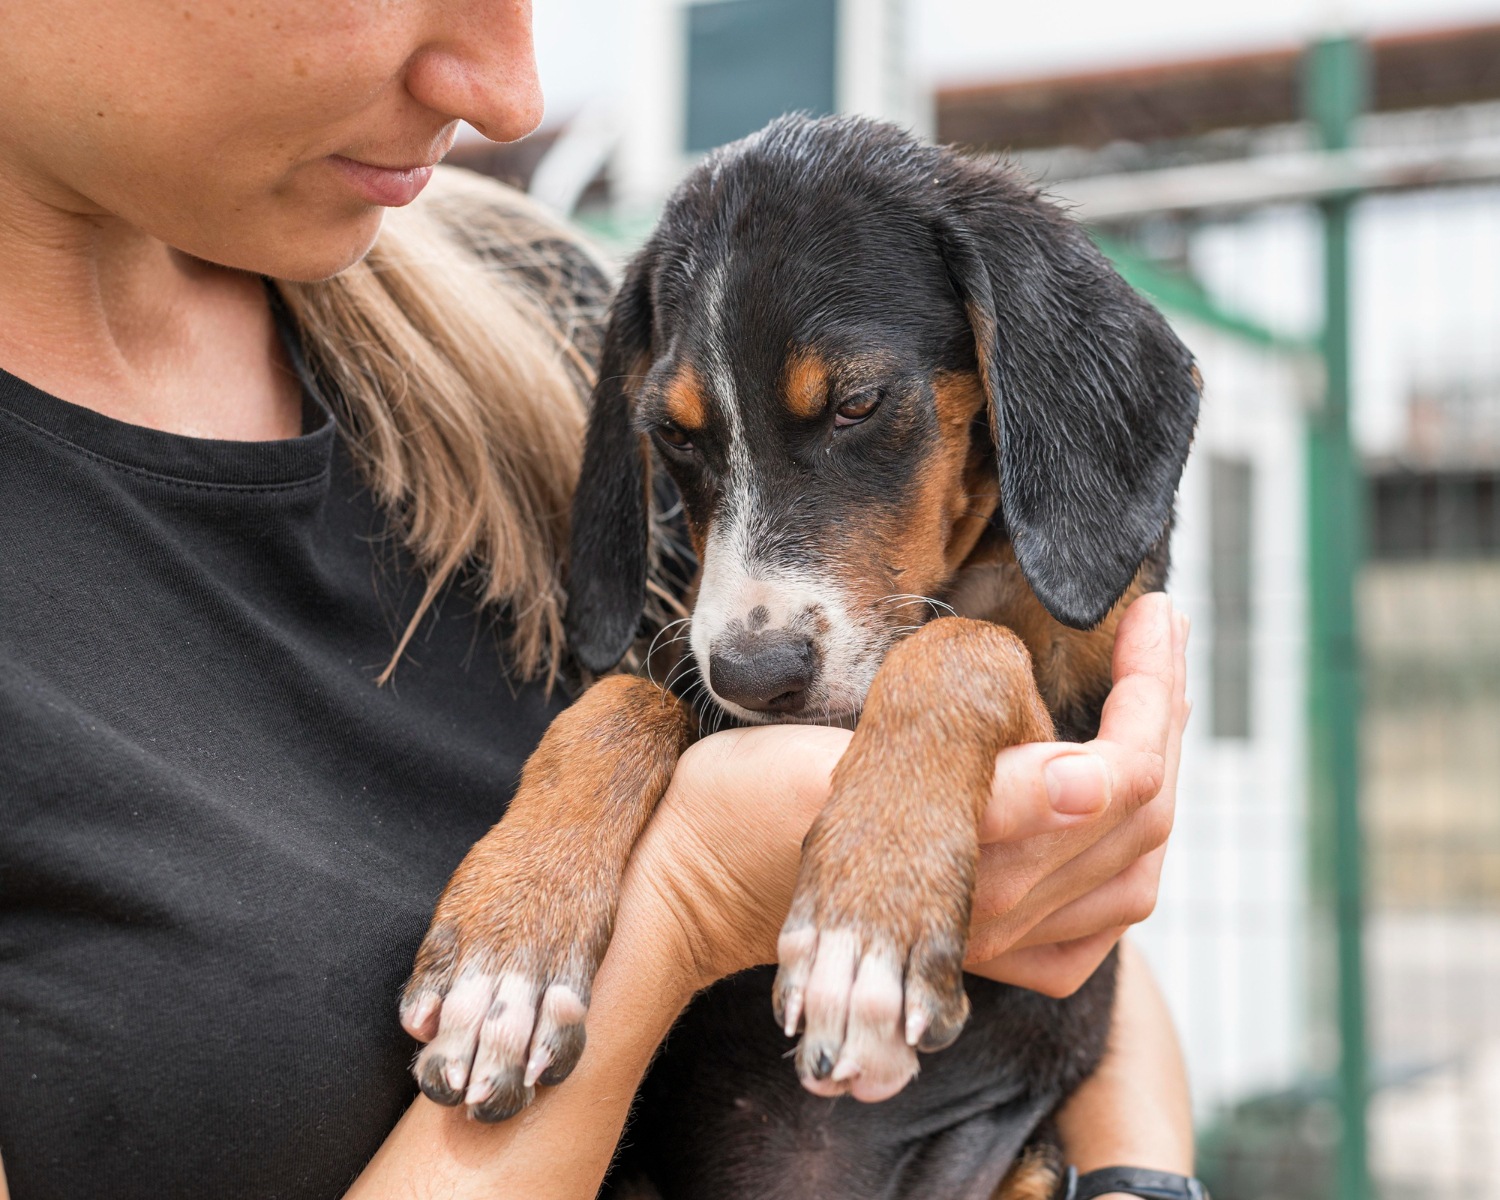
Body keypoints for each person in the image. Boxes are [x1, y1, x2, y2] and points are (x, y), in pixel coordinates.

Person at [0, 2, 1195, 1198]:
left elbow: (1029, 879)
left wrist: (1134, 1177)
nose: (510, 93)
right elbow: (746, 810)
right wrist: (688, 897)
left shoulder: (545, 312)